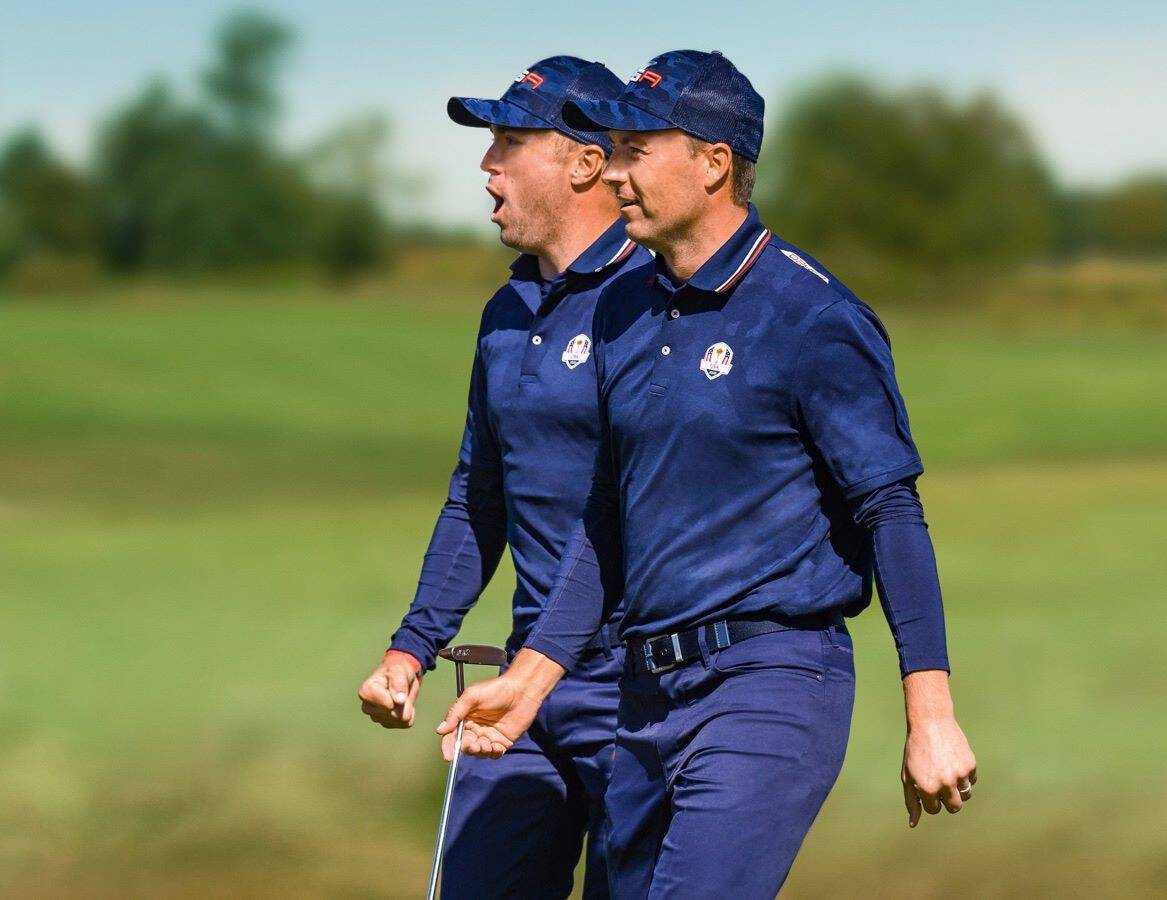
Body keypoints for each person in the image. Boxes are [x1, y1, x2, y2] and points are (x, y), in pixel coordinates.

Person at [438, 50, 978, 897]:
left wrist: (931, 715)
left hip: (769, 681)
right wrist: (533, 677)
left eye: (635, 149)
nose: (613, 171)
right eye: (608, 149)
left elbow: (890, 514)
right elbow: (606, 522)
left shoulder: (812, 315)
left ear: (713, 162)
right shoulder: (622, 308)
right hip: (645, 699)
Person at [355, 55, 648, 898]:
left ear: (586, 162)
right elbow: (477, 496)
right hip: (523, 682)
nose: (488, 166)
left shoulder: (654, 301)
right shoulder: (507, 310)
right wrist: (411, 646)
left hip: (641, 690)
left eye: (511, 142)